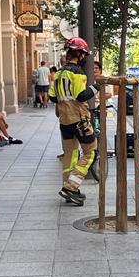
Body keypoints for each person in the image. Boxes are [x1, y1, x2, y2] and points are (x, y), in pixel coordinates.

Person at [49, 38, 96, 205]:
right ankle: (71, 186)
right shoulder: (77, 73)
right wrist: (96, 87)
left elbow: (52, 97)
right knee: (90, 151)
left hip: (64, 120)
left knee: (70, 154)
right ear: (79, 53)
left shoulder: (59, 73)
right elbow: (81, 96)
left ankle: (70, 188)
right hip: (79, 119)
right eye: (83, 54)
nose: (83, 57)